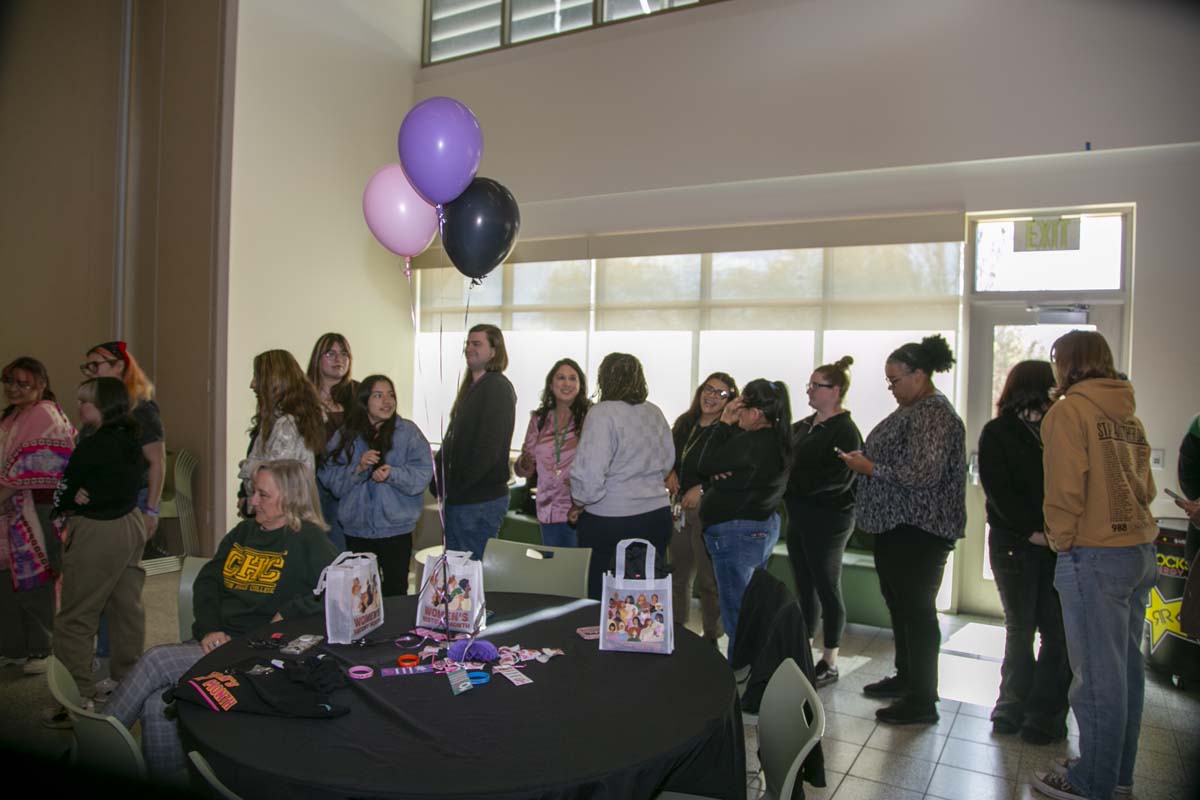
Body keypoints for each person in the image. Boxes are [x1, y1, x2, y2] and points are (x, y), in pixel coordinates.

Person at [103, 460, 337, 778]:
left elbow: (341, 589)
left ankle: (95, 744)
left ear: (291, 498)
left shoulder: (309, 539)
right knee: (158, 704)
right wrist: (209, 627)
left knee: (157, 659)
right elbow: (208, 581)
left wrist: (290, 612)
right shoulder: (244, 531)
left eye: (263, 495)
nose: (252, 501)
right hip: (218, 640)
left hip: (255, 651)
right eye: (254, 492)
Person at [1031, 331, 1157, 800]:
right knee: (1124, 673)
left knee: (1096, 681)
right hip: (1138, 551)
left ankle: (1092, 783)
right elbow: (1145, 487)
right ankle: (1116, 775)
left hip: (1095, 556)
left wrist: (1062, 542)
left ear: (1068, 363)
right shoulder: (1128, 412)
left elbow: (1065, 487)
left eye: (1056, 359)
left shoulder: (1070, 410)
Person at [840, 334, 965, 725]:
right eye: (888, 381)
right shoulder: (912, 409)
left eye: (895, 380)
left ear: (920, 374)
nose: (891, 388)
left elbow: (924, 473)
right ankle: (907, 677)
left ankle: (922, 700)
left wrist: (870, 468)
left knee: (917, 611)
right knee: (900, 606)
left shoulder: (933, 413)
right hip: (897, 526)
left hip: (921, 528)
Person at [978, 360, 1070, 744]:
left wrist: (1052, 534)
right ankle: (1011, 705)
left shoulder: (1061, 430)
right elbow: (997, 491)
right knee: (1020, 628)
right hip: (1014, 543)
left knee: (1057, 632)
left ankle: (1045, 713)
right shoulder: (998, 432)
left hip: (1058, 545)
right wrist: (1030, 532)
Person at [48, 378, 147, 716]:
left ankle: (74, 698)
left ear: (103, 406)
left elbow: (66, 486)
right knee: (125, 608)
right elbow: (137, 481)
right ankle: (128, 681)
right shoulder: (132, 438)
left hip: (97, 530)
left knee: (75, 617)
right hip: (130, 525)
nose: (79, 407)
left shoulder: (93, 444)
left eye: (85, 402)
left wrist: (69, 499)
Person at [696, 379, 791, 658]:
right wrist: (721, 470)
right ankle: (750, 670)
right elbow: (717, 466)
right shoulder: (777, 439)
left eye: (741, 408)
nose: (737, 413)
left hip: (736, 534)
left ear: (757, 413)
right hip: (758, 528)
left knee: (737, 613)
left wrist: (724, 423)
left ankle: (742, 676)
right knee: (749, 606)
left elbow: (704, 464)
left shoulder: (752, 441)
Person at [571, 353, 674, 600]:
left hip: (612, 521)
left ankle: (602, 640)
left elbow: (589, 474)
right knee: (646, 599)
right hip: (656, 516)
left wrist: (579, 503)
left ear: (604, 379)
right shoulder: (655, 412)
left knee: (605, 600)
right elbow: (667, 463)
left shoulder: (602, 413)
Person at [785, 356, 862, 687]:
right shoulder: (804, 426)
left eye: (818, 386)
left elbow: (835, 480)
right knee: (804, 585)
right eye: (810, 385)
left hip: (829, 519)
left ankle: (830, 659)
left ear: (837, 391)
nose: (811, 391)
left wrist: (788, 483)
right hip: (799, 515)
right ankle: (803, 649)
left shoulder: (845, 430)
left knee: (826, 586)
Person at [319, 375, 433, 596]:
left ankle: (396, 632)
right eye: (378, 395)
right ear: (364, 401)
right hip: (356, 530)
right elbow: (329, 476)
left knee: (395, 592)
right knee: (361, 595)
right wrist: (358, 469)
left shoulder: (408, 433)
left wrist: (394, 474)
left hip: (396, 531)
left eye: (391, 395)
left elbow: (423, 474)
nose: (387, 401)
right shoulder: (346, 435)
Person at [0, 358, 75, 676]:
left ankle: (41, 647)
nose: (13, 389)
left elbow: (39, 465)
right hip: (11, 507)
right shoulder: (12, 416)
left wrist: (3, 494)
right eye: (8, 381)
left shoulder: (44, 413)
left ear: (41, 384)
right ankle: (13, 646)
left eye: (22, 383)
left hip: (37, 510)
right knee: (7, 579)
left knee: (36, 577)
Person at [432, 324, 517, 559]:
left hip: (478, 502)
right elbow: (453, 440)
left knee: (470, 578)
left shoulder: (496, 387)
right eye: (467, 343)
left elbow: (487, 450)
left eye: (476, 344)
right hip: (462, 500)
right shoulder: (473, 387)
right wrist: (437, 479)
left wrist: (456, 487)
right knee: (458, 577)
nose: (469, 348)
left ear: (494, 351)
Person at [667, 372, 738, 645]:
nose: (712, 396)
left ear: (730, 401)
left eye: (721, 394)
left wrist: (703, 488)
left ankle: (711, 636)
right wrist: (668, 472)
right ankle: (677, 632)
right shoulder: (685, 424)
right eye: (709, 389)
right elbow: (667, 456)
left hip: (710, 512)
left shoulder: (729, 430)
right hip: (678, 509)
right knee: (678, 575)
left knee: (709, 582)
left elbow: (731, 472)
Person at [80, 342, 166, 557]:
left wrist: (151, 511)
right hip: (99, 502)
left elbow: (157, 462)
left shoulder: (140, 408)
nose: (90, 373)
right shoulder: (96, 408)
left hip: (131, 502)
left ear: (118, 366)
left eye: (95, 366)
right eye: (86, 367)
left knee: (121, 568)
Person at [514, 358, 590, 548]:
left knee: (577, 573)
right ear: (551, 384)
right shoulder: (538, 419)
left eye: (573, 379)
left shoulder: (590, 417)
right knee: (553, 570)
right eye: (561, 378)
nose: (567, 384)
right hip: (547, 507)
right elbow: (523, 469)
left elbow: (603, 460)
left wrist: (583, 478)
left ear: (580, 385)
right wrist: (524, 464)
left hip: (579, 507)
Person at [238, 350, 326, 508]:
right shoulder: (277, 421)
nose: (252, 384)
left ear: (274, 381)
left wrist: (247, 466)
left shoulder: (287, 425)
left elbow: (272, 482)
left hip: (284, 519)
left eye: (257, 377)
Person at [306, 332, 357, 552]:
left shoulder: (358, 393)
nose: (339, 359)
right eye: (331, 353)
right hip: (310, 484)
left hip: (347, 484)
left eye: (344, 353)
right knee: (314, 547)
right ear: (318, 358)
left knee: (341, 550)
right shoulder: (302, 395)